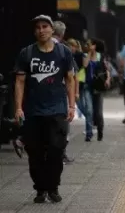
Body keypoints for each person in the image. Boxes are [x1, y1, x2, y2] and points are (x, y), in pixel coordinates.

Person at [14, 15, 76, 204]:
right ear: (35, 32)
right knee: (35, 151)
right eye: (38, 27)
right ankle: (40, 189)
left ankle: (53, 187)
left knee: (57, 150)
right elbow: (19, 81)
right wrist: (18, 108)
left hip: (57, 110)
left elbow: (70, 79)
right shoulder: (27, 53)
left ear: (51, 30)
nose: (41, 30)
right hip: (33, 110)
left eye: (45, 26)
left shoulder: (64, 52)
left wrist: (71, 105)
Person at [51, 21, 75, 164]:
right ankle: (60, 154)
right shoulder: (62, 49)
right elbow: (70, 77)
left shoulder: (35, 48)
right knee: (62, 125)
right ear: (62, 33)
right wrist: (72, 104)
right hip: (59, 93)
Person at [67, 39, 94, 141]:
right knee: (83, 109)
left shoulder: (79, 55)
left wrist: (90, 52)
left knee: (87, 109)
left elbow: (85, 65)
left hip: (82, 85)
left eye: (73, 46)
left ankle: (89, 132)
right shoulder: (65, 55)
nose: (72, 48)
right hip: (72, 87)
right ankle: (89, 125)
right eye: (70, 46)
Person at [87, 39, 111, 141]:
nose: (88, 46)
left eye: (90, 44)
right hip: (87, 86)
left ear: (95, 46)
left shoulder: (101, 56)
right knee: (89, 109)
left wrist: (108, 80)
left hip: (98, 86)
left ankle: (100, 131)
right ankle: (89, 131)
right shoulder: (86, 55)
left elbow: (107, 70)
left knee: (98, 111)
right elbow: (84, 65)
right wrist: (88, 53)